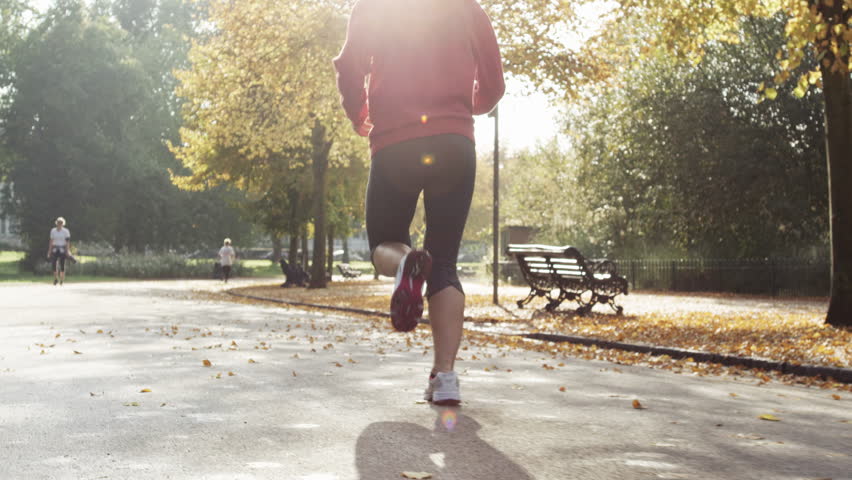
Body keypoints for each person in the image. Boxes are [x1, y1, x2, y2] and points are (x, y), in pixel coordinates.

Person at [334, 0, 504, 406]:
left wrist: (359, 114)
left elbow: (349, 67)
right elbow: (494, 86)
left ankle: (405, 264)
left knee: (383, 244)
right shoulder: (468, 8)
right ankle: (445, 378)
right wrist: (463, 107)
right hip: (454, 143)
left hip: (395, 142)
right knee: (444, 262)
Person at [47, 217, 71, 286]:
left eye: (61, 223)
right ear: (56, 223)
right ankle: (55, 278)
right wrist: (49, 251)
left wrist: (67, 251)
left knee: (62, 265)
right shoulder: (53, 231)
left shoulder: (66, 231)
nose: (59, 224)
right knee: (54, 264)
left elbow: (67, 242)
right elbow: (51, 241)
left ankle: (62, 280)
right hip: (55, 249)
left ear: (63, 224)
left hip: (63, 249)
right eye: (58, 223)